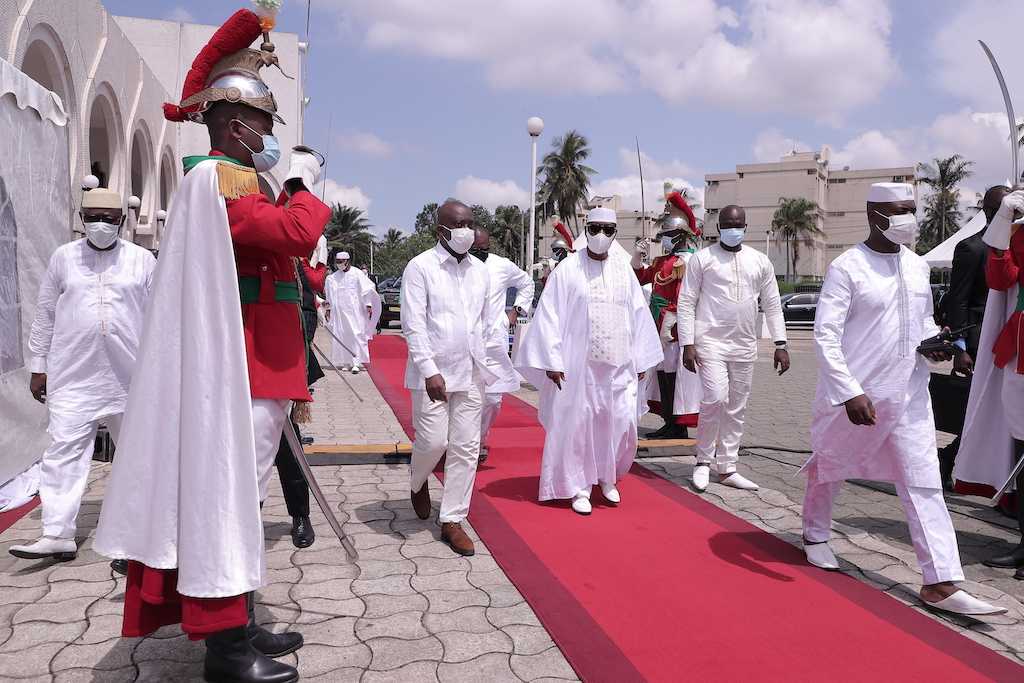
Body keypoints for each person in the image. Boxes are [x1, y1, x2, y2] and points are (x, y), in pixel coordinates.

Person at [92, 8, 332, 682]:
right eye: (266, 125)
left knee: (242, 506)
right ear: (233, 126)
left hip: (263, 368)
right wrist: (305, 191)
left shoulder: (235, 180)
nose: (272, 137)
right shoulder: (218, 181)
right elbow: (293, 235)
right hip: (243, 372)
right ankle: (227, 651)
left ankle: (242, 620)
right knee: (228, 503)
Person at [800, 182, 1005, 617]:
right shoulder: (847, 267)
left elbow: (923, 321)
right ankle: (815, 535)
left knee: (923, 479)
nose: (909, 218)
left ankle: (940, 583)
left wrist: (932, 344)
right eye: (900, 211)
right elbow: (826, 337)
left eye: (913, 209)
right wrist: (850, 391)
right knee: (830, 462)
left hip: (909, 392)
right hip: (856, 395)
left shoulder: (917, 266)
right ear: (875, 215)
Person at [9, 187, 154, 562]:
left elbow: (161, 317)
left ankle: (137, 532)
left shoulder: (142, 260)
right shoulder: (64, 258)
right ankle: (57, 533)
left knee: (137, 453)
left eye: (109, 219)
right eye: (93, 218)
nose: (101, 225)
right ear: (81, 219)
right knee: (63, 451)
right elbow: (45, 313)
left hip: (131, 374)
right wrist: (38, 366)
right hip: (73, 371)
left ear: (122, 220)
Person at [515, 207, 662, 515]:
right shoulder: (568, 269)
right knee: (579, 425)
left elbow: (638, 316)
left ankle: (607, 478)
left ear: (615, 233)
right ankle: (579, 486)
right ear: (585, 229)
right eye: (595, 228)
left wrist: (641, 361)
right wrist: (551, 360)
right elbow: (549, 316)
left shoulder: (624, 270)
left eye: (608, 230)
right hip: (578, 368)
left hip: (620, 366)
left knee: (619, 422)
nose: (600, 236)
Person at [402, 201, 497, 556]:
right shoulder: (420, 267)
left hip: (471, 372)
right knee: (433, 442)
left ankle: (452, 520)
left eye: (471, 223)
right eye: (459, 223)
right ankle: (418, 479)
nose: (466, 230)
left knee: (467, 448)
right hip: (434, 375)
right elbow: (413, 325)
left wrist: (488, 363)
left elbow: (485, 321)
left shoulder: (479, 270)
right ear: (439, 228)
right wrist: (429, 370)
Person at [678, 205, 789, 492]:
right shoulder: (702, 259)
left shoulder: (760, 261)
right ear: (719, 228)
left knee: (736, 407)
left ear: (745, 227)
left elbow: (773, 304)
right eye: (727, 224)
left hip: (743, 344)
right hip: (709, 342)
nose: (732, 228)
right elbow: (687, 302)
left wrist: (780, 343)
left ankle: (727, 468)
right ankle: (703, 461)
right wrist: (687, 343)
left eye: (737, 224)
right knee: (714, 399)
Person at [954, 187, 1024, 575]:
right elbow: (1000, 279)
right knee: (1022, 447)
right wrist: (1003, 223)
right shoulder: (1018, 233)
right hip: (1020, 346)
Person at [937, 186, 1013, 489]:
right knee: (988, 410)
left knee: (1003, 414)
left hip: (1007, 341)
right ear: (990, 211)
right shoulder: (973, 247)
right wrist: (960, 348)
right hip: (980, 338)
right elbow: (959, 300)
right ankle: (950, 458)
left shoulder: (1012, 245)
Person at [272, 251, 328, 549]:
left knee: (287, 445)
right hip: (231, 362)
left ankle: (300, 516)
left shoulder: (289, 260)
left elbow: (306, 308)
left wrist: (296, 353)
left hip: (281, 361)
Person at [632, 206, 703, 440]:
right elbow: (641, 278)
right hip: (657, 319)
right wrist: (637, 256)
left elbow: (685, 296)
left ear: (680, 236)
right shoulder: (663, 260)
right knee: (661, 371)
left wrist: (672, 320)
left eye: (668, 237)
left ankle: (678, 425)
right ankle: (669, 422)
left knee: (673, 372)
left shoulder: (688, 261)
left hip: (673, 324)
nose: (665, 241)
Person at [468, 226, 534, 463]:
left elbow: (527, 283)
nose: (479, 256)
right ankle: (465, 442)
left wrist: (515, 312)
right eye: (474, 252)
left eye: (484, 251)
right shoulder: (455, 265)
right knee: (463, 395)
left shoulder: (501, 265)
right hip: (462, 343)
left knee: (493, 399)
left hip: (493, 344)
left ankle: (481, 438)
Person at [324, 250, 381, 373]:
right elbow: (329, 295)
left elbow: (367, 290)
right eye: (337, 262)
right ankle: (346, 363)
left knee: (356, 335)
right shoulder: (334, 277)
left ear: (347, 261)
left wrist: (368, 305)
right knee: (342, 335)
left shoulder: (357, 273)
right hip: (340, 313)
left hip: (355, 311)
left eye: (341, 262)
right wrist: (328, 309)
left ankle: (356, 362)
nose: (339, 264)